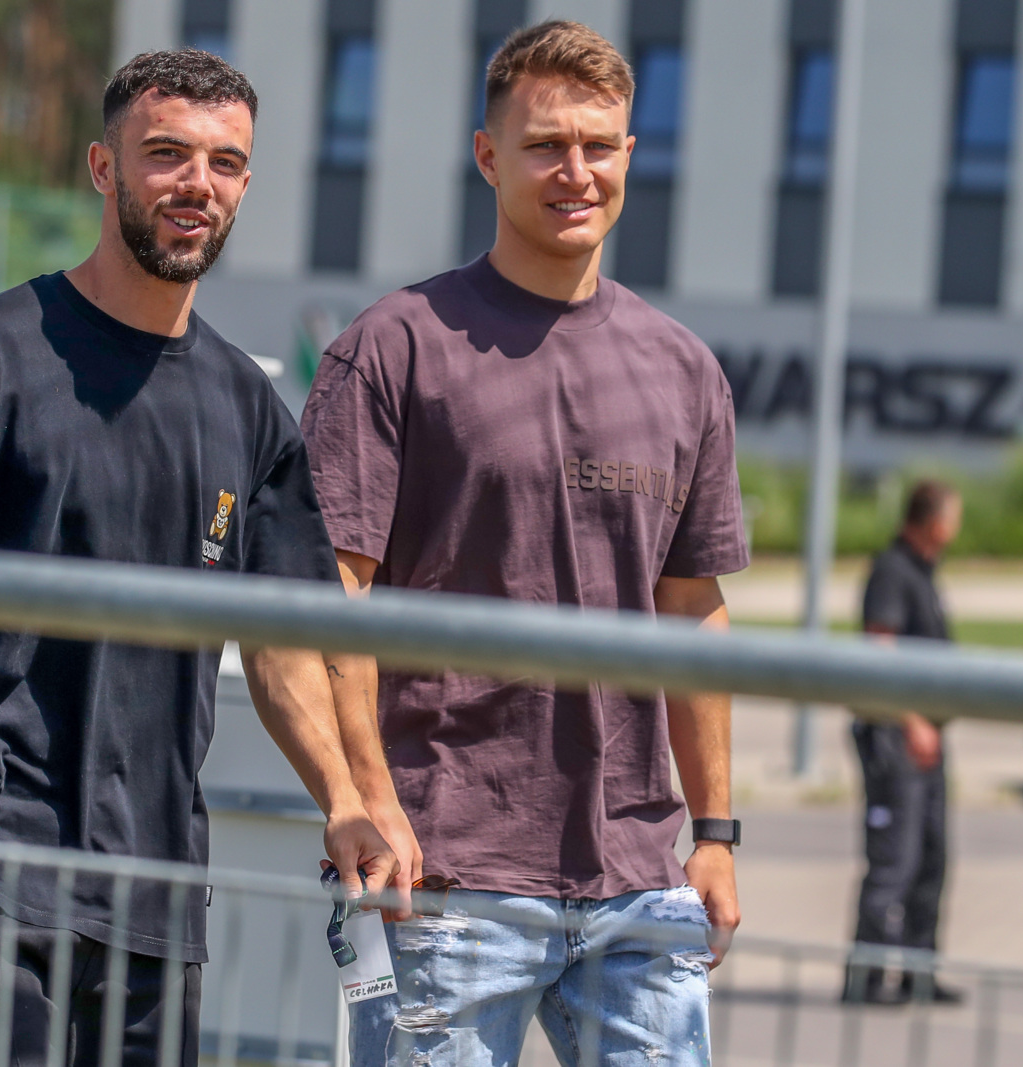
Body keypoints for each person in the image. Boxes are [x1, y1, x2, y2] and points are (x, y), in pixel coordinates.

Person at [0, 49, 398, 1065]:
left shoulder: (248, 412)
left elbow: (285, 641)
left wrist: (345, 794)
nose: (193, 184)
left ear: (246, 185)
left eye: (221, 162)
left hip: (155, 881)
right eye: (164, 154)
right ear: (101, 166)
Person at [300, 20, 748, 1066]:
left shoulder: (684, 370)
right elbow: (331, 599)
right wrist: (366, 794)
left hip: (640, 876)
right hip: (445, 870)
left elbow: (694, 612)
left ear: (631, 155)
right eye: (546, 144)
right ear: (488, 155)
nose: (576, 171)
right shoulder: (394, 348)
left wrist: (717, 836)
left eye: (600, 145)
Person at [844, 479, 964, 1006]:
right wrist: (913, 720)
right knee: (894, 862)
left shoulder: (924, 573)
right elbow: (880, 650)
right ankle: (866, 979)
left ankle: (920, 973)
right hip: (896, 740)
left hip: (928, 741)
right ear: (935, 521)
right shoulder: (893, 571)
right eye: (954, 515)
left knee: (933, 860)